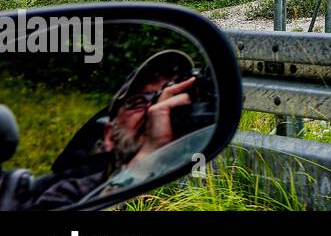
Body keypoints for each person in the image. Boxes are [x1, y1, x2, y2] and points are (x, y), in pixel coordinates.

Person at [0, 50, 203, 210]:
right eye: (139, 102)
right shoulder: (70, 194)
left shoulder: (209, 172)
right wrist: (146, 159)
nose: (155, 111)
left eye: (170, 97)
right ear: (108, 135)